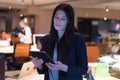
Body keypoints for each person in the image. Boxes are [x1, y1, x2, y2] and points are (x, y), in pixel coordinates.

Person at [32, 3, 88, 80]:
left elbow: (83, 69)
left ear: (69, 21)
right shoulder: (46, 39)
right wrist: (39, 65)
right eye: (56, 17)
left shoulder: (78, 39)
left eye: (63, 19)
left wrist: (64, 68)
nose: (58, 21)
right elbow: (45, 70)